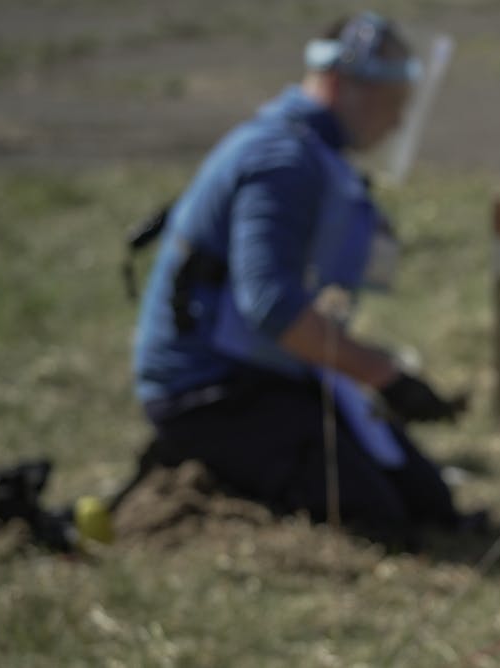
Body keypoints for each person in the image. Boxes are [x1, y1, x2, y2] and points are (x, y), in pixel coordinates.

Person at [130, 12, 477, 543]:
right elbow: (272, 306)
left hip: (270, 375)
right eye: (390, 103)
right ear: (341, 84)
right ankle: (194, 477)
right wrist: (384, 376)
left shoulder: (312, 153)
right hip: (210, 390)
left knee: (429, 502)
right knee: (373, 516)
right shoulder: (283, 160)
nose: (397, 123)